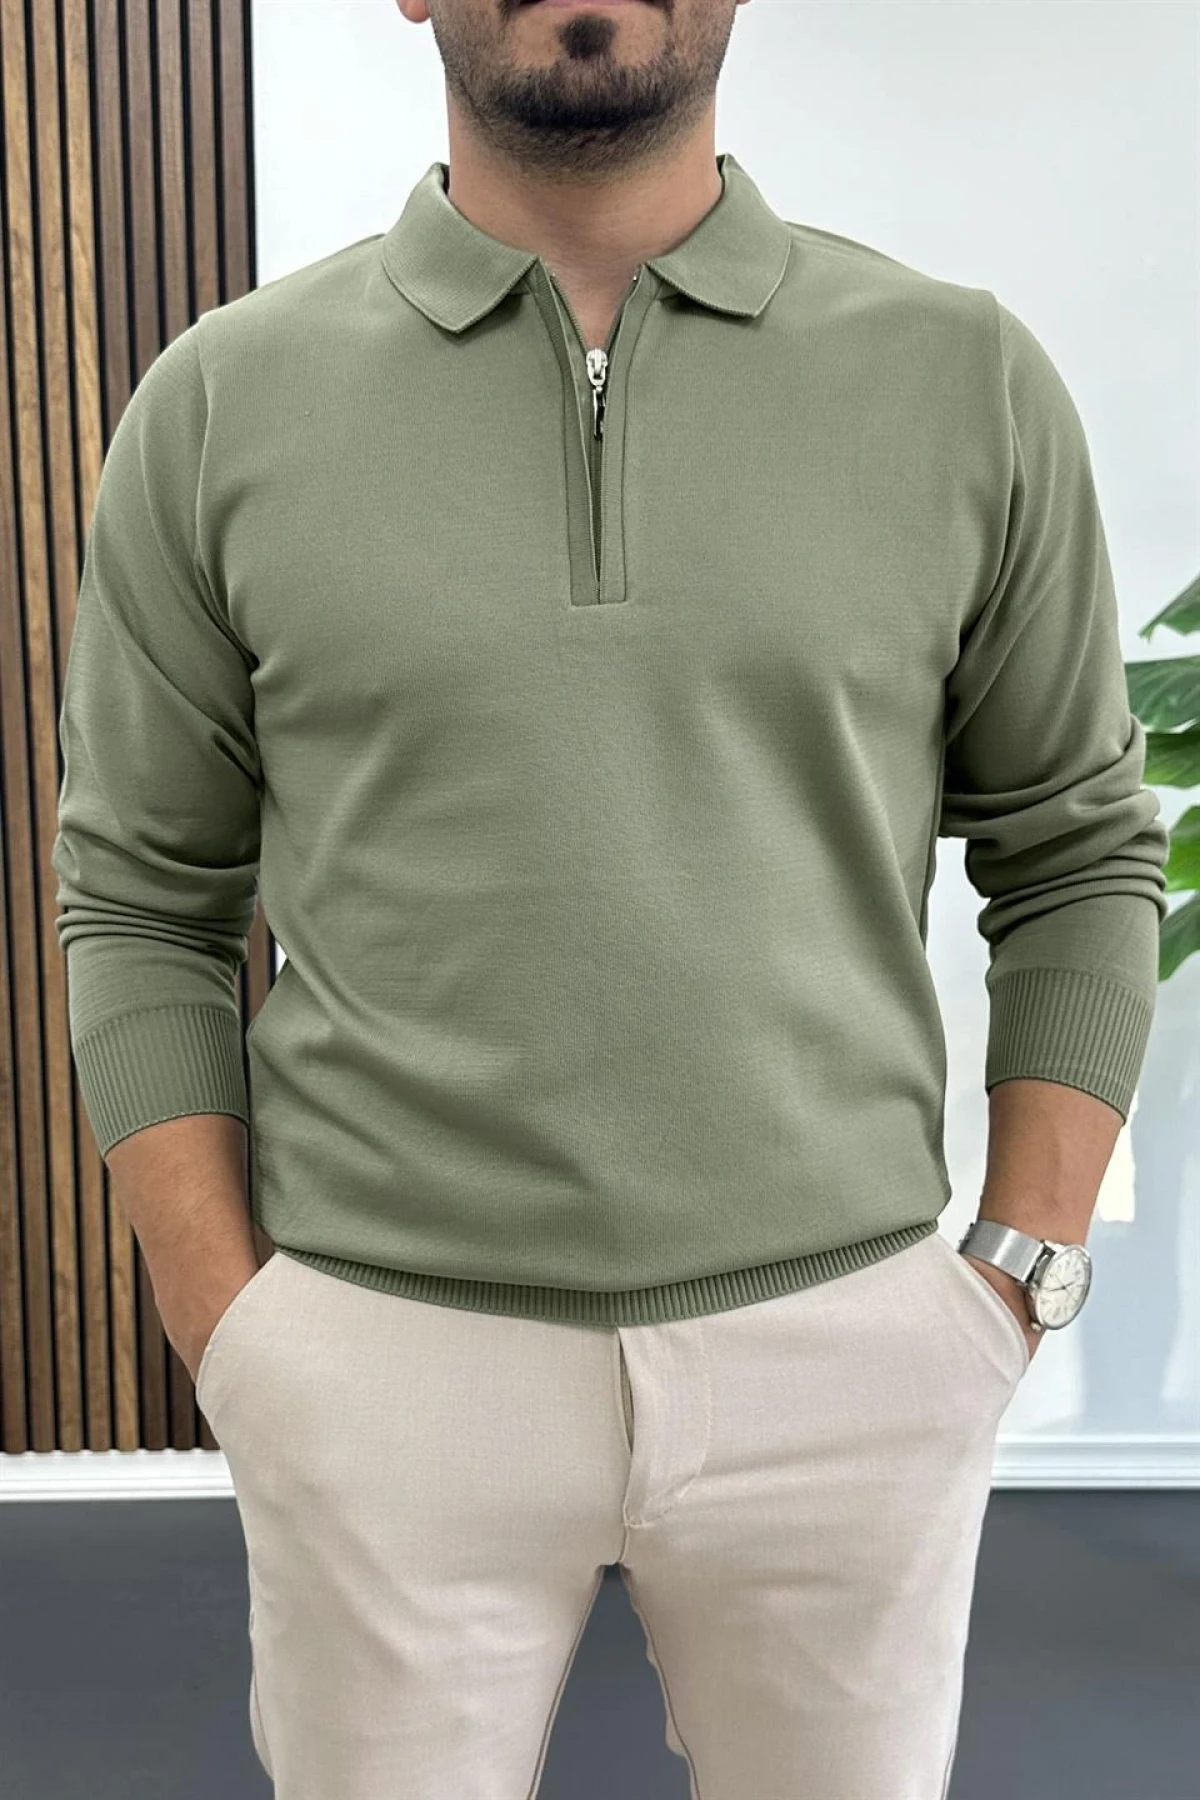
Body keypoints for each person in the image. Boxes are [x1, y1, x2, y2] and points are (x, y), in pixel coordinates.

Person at [52, 0, 1169, 1794]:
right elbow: (140, 893)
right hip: (380, 1351)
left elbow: (1076, 848)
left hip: (853, 1352)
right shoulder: (218, 403)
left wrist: (1013, 1281)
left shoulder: (963, 378)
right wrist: (235, 1330)